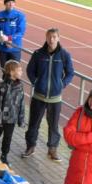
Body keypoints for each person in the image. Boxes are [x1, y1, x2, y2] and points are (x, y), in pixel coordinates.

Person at [23, 28, 75, 161]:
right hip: (38, 96)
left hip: (55, 98)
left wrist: (62, 84)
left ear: (58, 38)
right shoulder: (38, 54)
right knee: (33, 124)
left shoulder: (64, 55)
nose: (51, 40)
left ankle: (52, 149)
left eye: (54, 37)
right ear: (46, 38)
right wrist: (36, 82)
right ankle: (30, 146)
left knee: (53, 126)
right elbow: (30, 70)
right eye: (49, 37)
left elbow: (70, 72)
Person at [0, 0, 26, 67]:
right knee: (4, 70)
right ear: (5, 3)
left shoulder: (20, 16)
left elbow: (21, 32)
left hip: (15, 48)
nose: (11, 4)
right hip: (3, 48)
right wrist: (4, 40)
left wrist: (9, 38)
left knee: (15, 71)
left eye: (13, 2)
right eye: (9, 2)